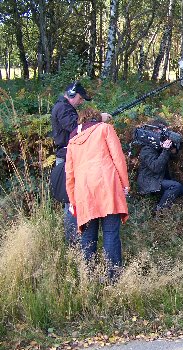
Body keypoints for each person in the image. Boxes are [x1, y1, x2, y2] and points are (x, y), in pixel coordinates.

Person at [65, 108, 129, 280]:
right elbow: (118, 158)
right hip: (107, 186)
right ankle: (113, 277)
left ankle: (89, 276)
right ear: (97, 118)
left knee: (88, 236)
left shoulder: (72, 142)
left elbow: (69, 174)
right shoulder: (105, 129)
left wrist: (73, 200)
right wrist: (125, 184)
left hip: (83, 192)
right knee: (110, 233)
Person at [50, 81, 112, 244]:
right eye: (80, 98)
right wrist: (99, 119)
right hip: (67, 161)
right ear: (71, 94)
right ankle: (73, 243)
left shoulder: (64, 107)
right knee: (72, 201)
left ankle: (78, 241)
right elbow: (75, 128)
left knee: (74, 200)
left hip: (70, 159)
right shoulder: (63, 108)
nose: (81, 101)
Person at [137, 118, 183, 215]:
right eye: (161, 130)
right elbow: (156, 167)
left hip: (159, 180)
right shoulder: (147, 149)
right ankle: (158, 212)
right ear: (154, 131)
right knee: (175, 186)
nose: (164, 133)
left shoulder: (159, 145)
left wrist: (173, 148)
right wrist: (165, 150)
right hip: (149, 182)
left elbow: (174, 156)